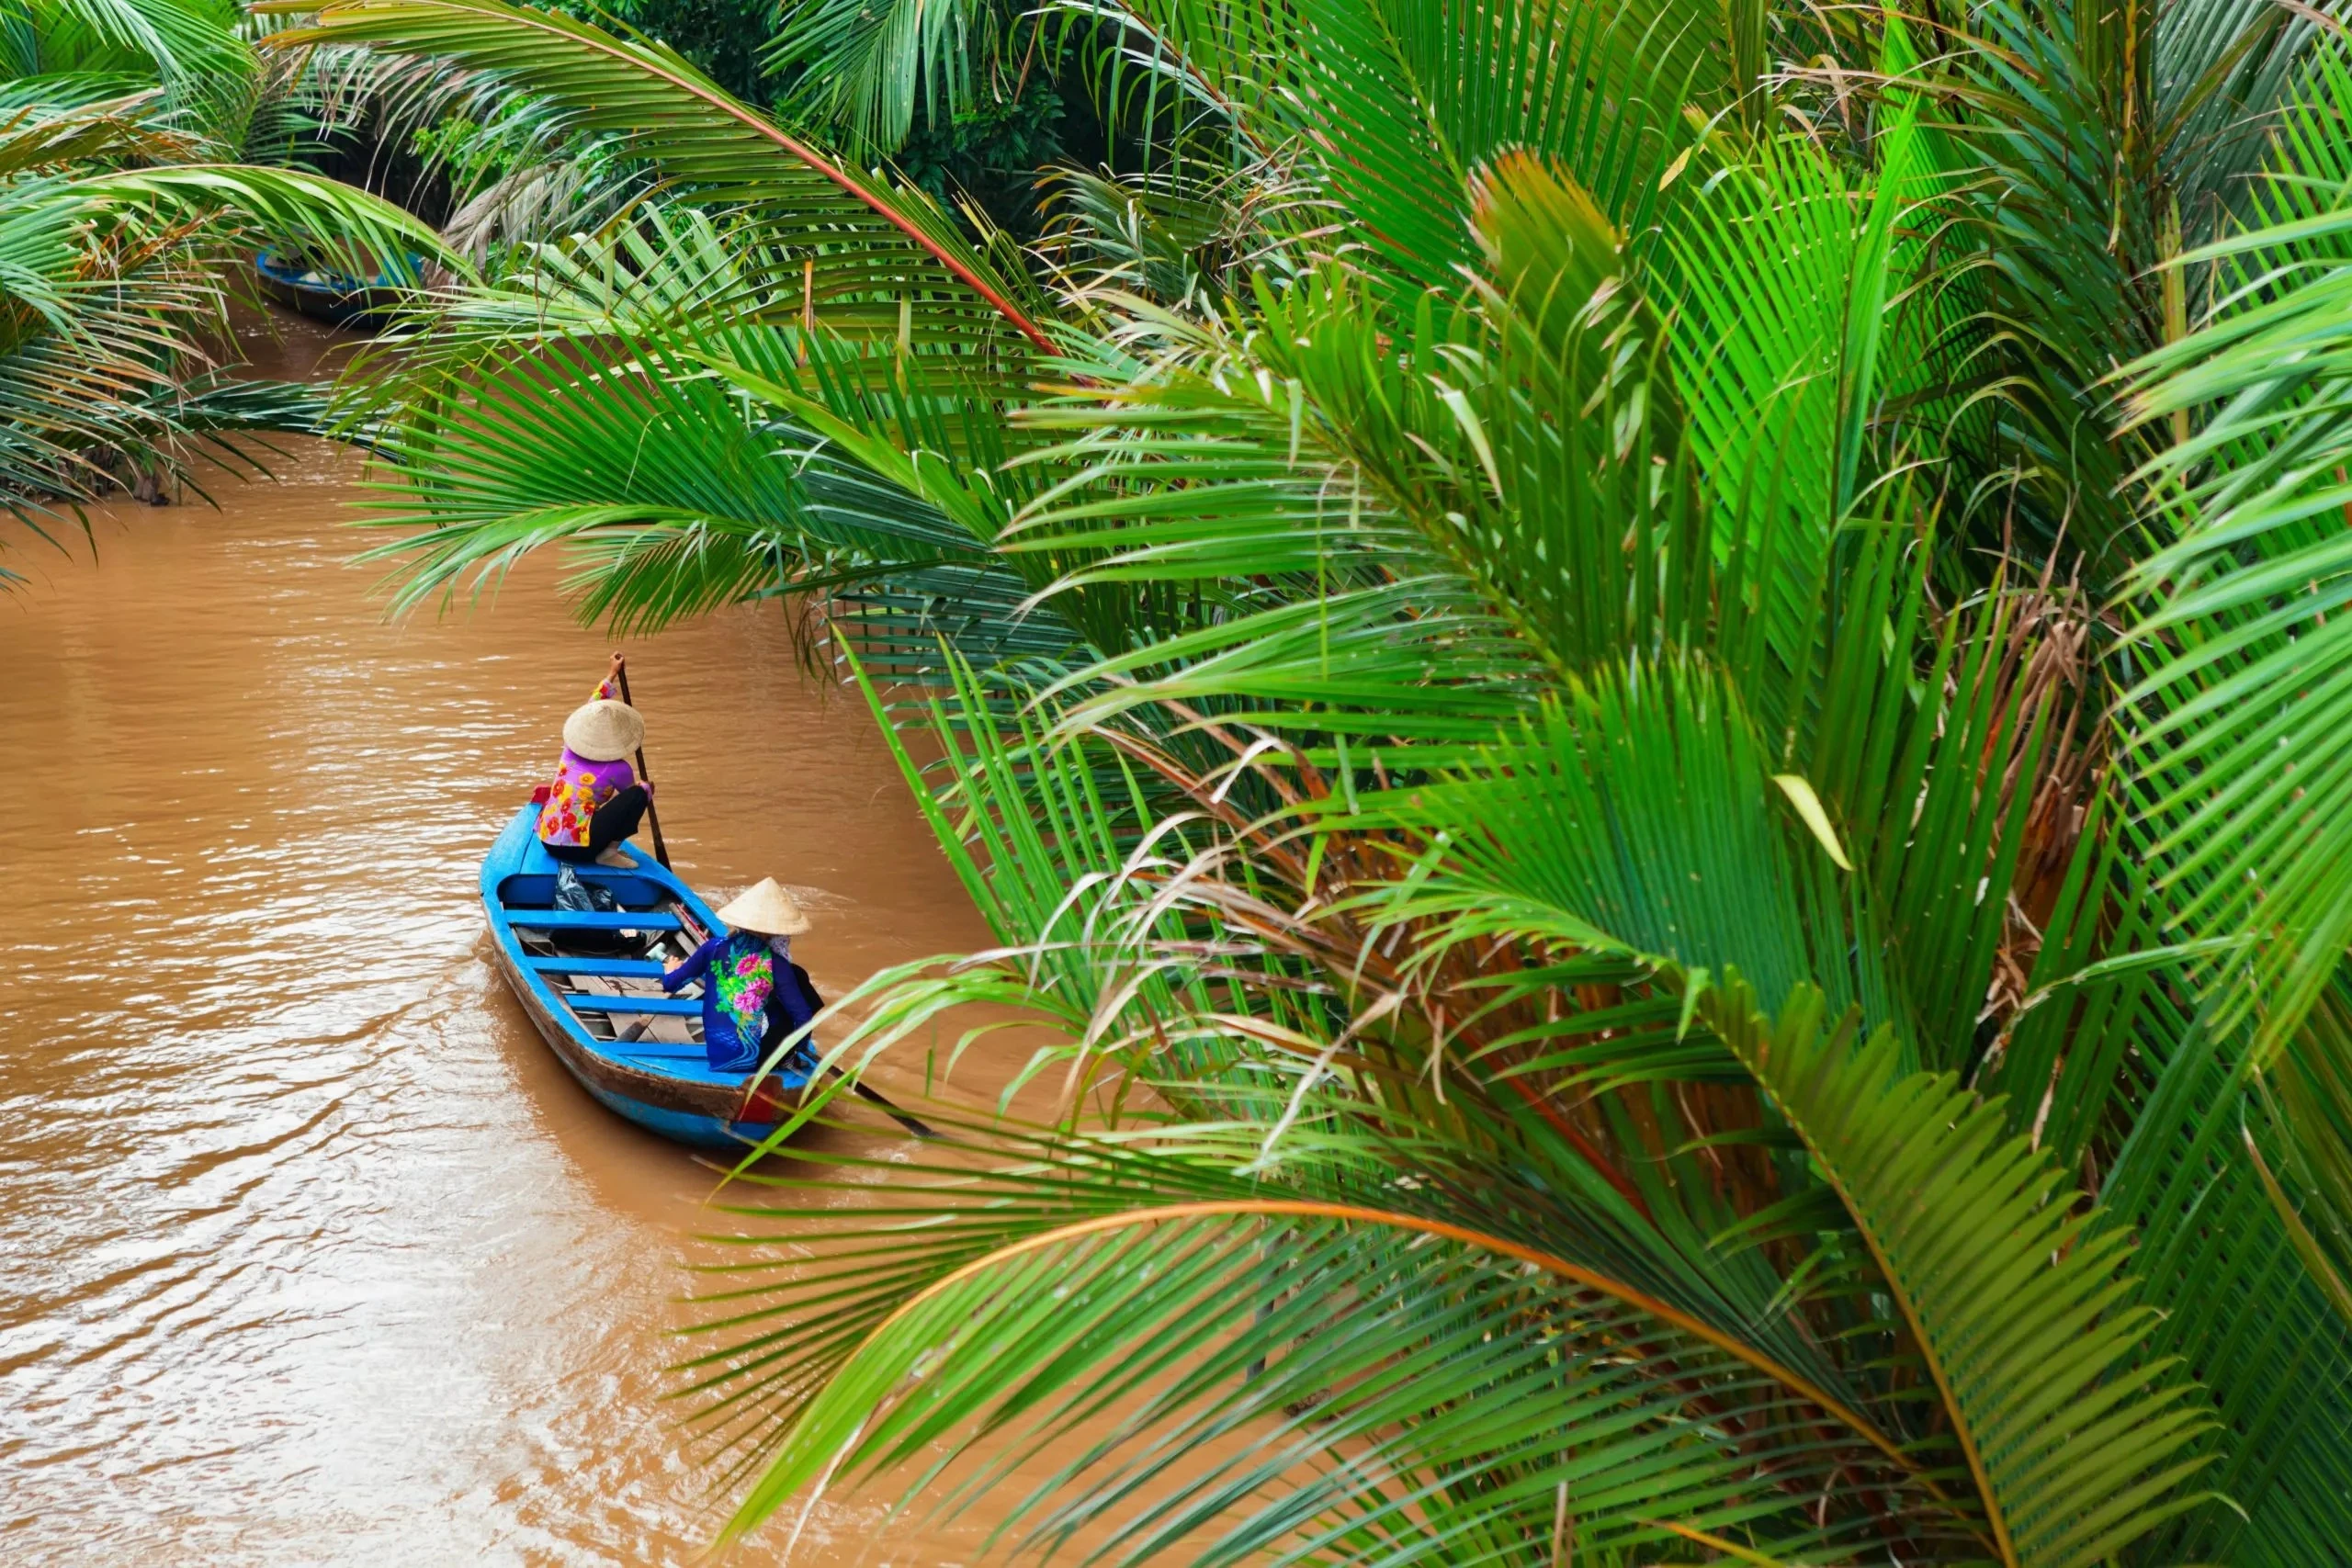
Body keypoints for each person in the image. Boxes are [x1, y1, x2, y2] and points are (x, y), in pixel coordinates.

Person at [661, 878, 823, 1075]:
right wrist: (800, 1048)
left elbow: (670, 985)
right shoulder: (776, 965)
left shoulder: (713, 947)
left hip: (719, 1057)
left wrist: (670, 970)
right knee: (798, 980)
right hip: (756, 1060)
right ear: (774, 933)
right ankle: (788, 1058)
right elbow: (803, 1016)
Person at [538, 653, 654, 867]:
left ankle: (600, 843)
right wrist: (642, 789)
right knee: (642, 791)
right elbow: (628, 803)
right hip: (582, 850)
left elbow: (591, 706)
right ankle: (608, 853)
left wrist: (612, 673)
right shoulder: (619, 768)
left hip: (547, 839)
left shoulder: (569, 750)